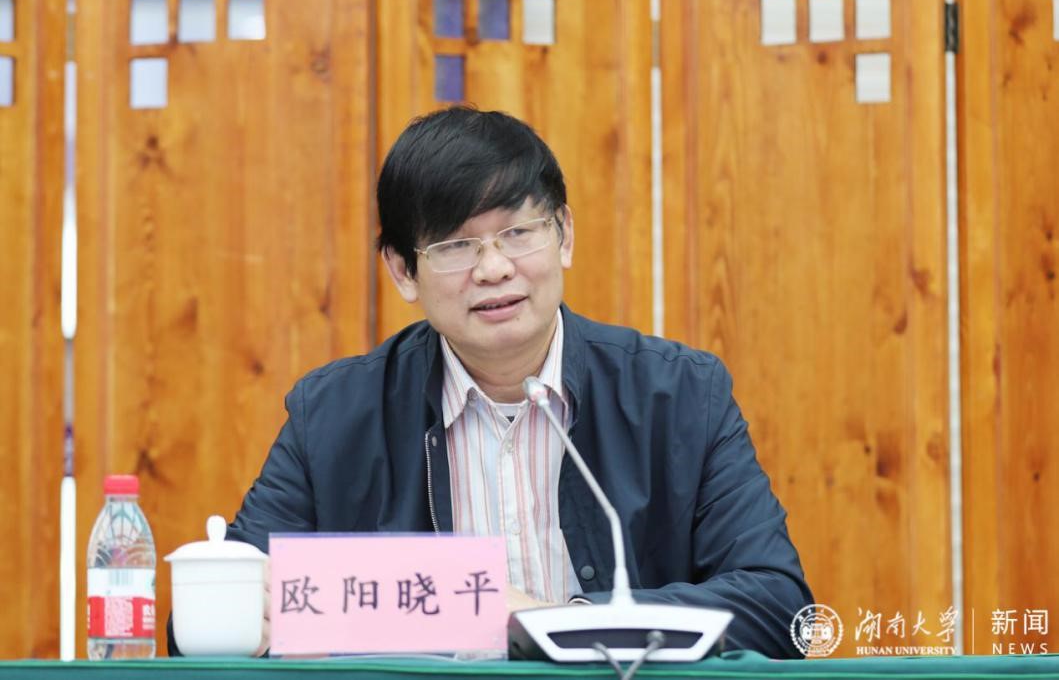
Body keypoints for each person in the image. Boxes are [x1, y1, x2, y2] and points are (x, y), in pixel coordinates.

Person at [167, 107, 813, 658]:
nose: (495, 268)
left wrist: (558, 625)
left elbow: (781, 608)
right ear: (402, 272)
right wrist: (232, 616)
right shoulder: (333, 417)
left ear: (564, 236)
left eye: (518, 233)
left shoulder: (679, 397)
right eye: (454, 246)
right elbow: (208, 617)